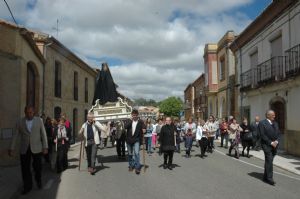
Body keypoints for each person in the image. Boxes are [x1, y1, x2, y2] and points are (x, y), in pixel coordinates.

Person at [9, 106, 48, 195]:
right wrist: (11, 148)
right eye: (27, 112)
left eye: (31, 112)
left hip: (37, 148)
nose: (29, 114)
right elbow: (15, 135)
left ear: (33, 112)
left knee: (37, 167)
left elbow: (43, 134)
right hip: (24, 148)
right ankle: (27, 186)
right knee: (25, 169)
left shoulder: (39, 120)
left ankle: (38, 180)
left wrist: (45, 147)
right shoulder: (20, 122)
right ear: (24, 112)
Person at [259, 110, 280, 186]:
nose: (274, 116)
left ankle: (265, 176)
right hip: (267, 145)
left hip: (275, 145)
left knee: (269, 161)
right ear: (268, 115)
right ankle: (270, 179)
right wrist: (271, 143)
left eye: (274, 115)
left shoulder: (276, 123)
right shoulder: (262, 123)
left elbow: (278, 133)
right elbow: (262, 135)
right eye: (273, 115)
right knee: (269, 160)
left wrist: (276, 142)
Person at [125, 109, 146, 175]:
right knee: (130, 154)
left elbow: (144, 127)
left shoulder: (140, 122)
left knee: (136, 153)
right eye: (133, 115)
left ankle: (137, 167)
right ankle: (131, 166)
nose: (134, 116)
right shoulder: (129, 121)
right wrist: (130, 121)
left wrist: (144, 129)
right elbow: (125, 127)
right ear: (131, 115)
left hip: (136, 140)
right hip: (129, 140)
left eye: (135, 115)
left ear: (137, 115)